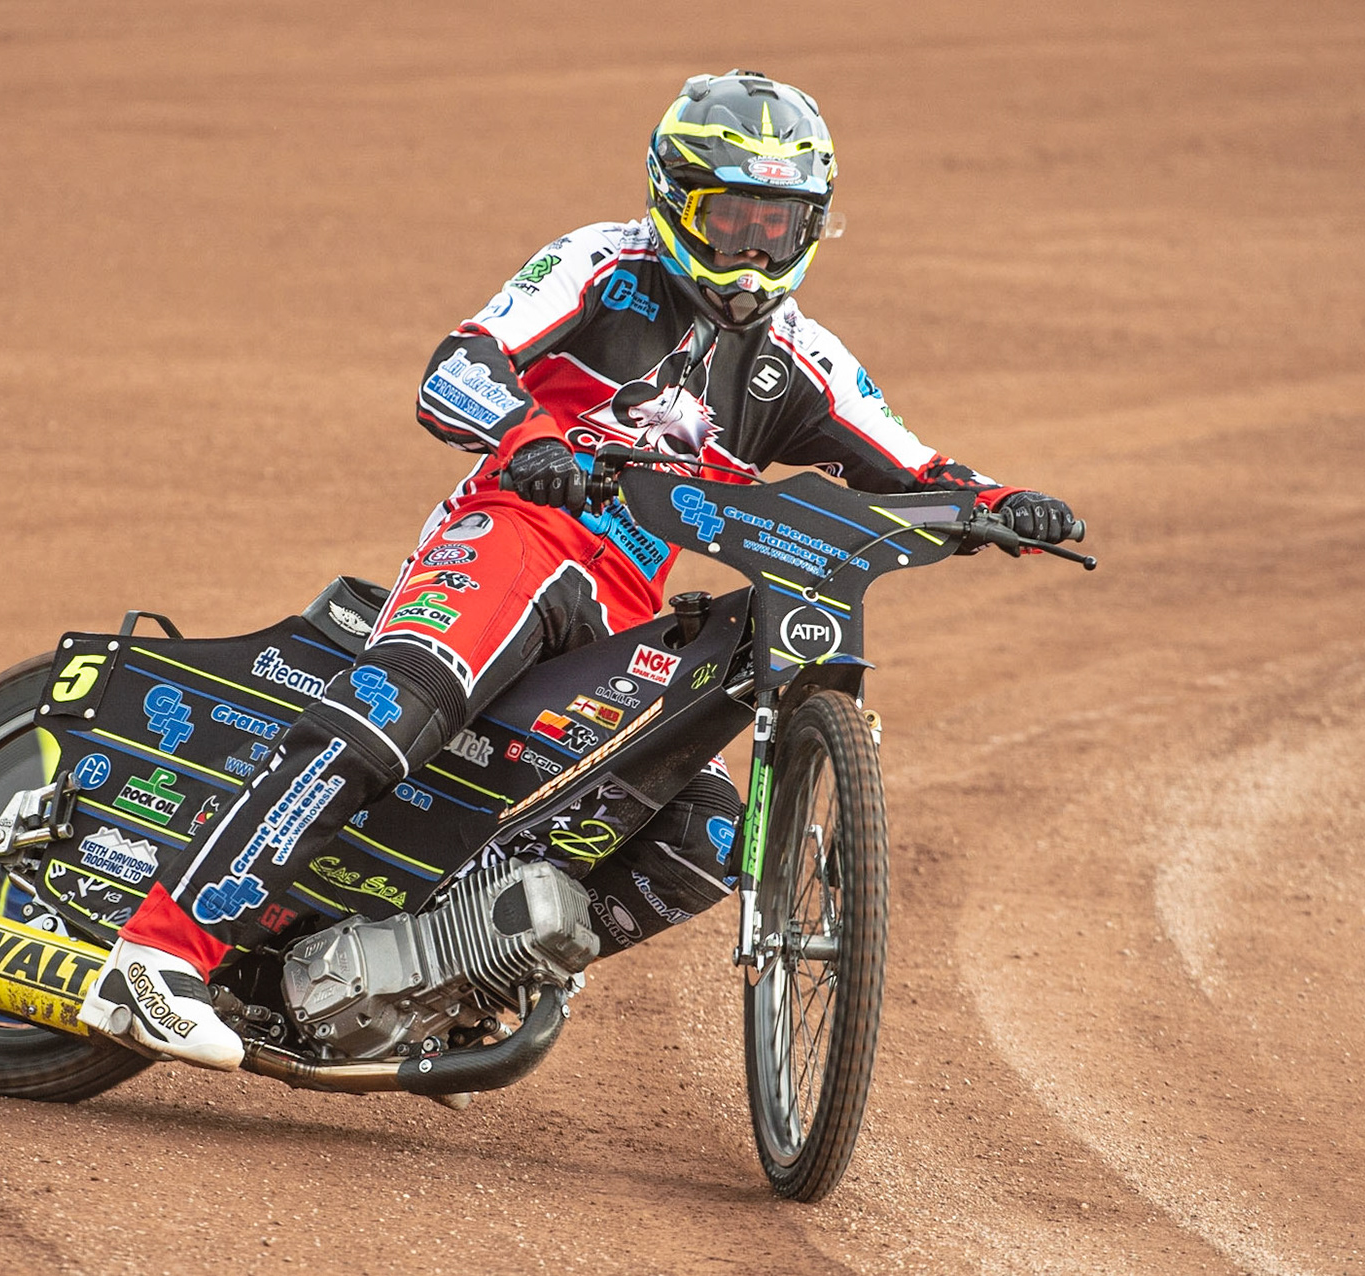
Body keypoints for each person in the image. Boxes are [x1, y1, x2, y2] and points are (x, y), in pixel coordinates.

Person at [79, 70, 1079, 1068]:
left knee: (706, 837)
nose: (752, 249)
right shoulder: (601, 265)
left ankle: (448, 981)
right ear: (675, 201)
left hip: (621, 615)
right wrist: (526, 434)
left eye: (780, 225)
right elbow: (460, 362)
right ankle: (157, 952)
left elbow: (918, 466)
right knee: (405, 700)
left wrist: (1000, 505)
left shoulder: (800, 360)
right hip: (515, 533)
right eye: (729, 218)